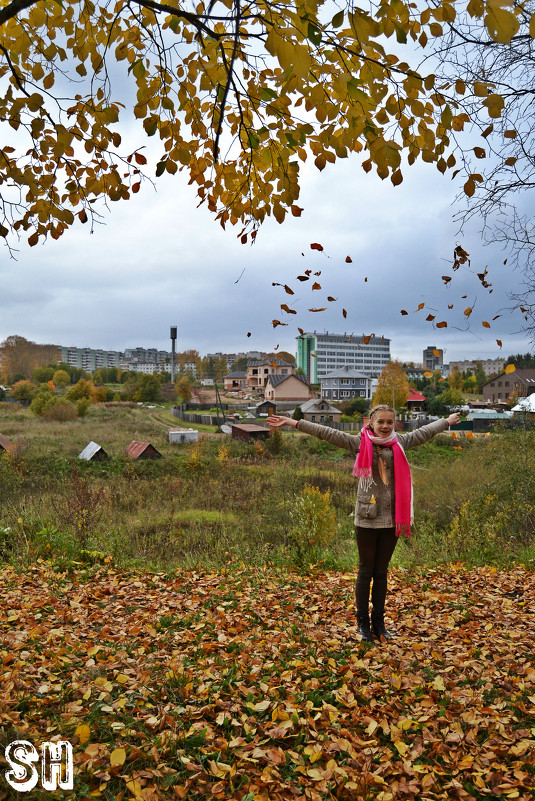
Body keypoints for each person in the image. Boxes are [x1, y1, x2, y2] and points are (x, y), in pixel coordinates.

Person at [266, 405, 460, 642]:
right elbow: (326, 432)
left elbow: (425, 432)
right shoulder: (360, 442)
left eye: (390, 422)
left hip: (391, 518)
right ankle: (362, 624)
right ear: (371, 422)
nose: (385, 426)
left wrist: (447, 421)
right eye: (381, 422)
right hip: (367, 517)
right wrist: (293, 422)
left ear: (395, 423)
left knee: (381, 572)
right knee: (365, 571)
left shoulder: (400, 443)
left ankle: (379, 623)